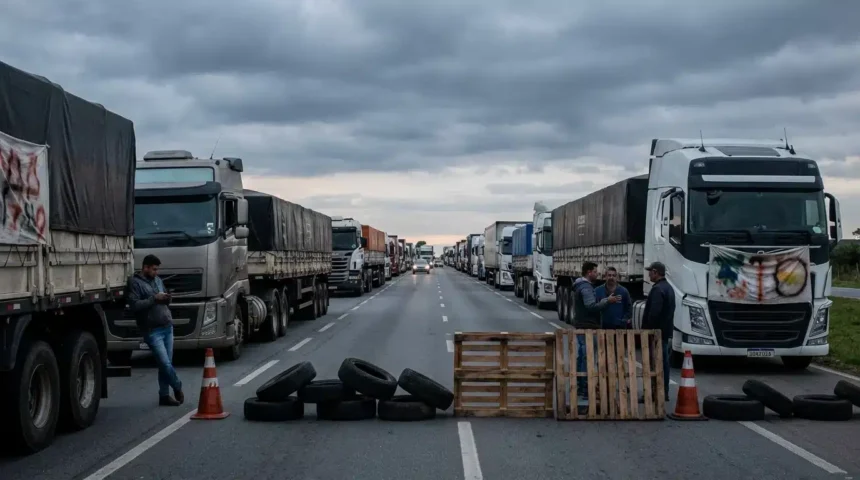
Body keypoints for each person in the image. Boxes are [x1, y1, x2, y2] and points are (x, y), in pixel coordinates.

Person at [128, 254, 184, 406]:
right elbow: (134, 305)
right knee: (165, 363)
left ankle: (164, 395)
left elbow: (164, 299)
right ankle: (177, 386)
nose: (156, 273)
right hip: (152, 330)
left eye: (157, 270)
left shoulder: (158, 280)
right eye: (153, 269)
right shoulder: (135, 283)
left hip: (167, 326)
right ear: (145, 267)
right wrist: (154, 298)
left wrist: (167, 298)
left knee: (166, 364)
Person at [573, 261, 621, 399]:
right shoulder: (586, 287)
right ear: (589, 272)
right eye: (595, 271)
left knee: (582, 355)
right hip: (588, 326)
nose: (597, 273)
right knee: (587, 356)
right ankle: (584, 387)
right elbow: (591, 306)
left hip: (583, 325)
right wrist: (607, 301)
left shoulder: (580, 285)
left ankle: (581, 385)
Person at [641, 261, 675, 402]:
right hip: (665, 332)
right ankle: (664, 391)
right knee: (663, 363)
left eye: (650, 271)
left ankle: (652, 393)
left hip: (656, 333)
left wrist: (648, 331)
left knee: (654, 364)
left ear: (656, 272)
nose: (649, 274)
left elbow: (654, 313)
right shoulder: (668, 288)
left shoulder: (657, 289)